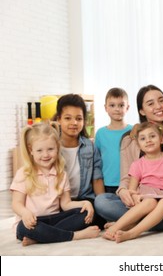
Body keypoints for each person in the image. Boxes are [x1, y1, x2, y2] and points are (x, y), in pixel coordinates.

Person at [95, 85, 163, 231]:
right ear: (141, 110)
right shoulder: (130, 139)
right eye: (150, 103)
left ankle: (134, 223)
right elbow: (126, 178)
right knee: (101, 201)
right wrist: (123, 191)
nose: (158, 106)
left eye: (161, 101)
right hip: (142, 200)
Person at [10, 122, 100, 246]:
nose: (45, 155)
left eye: (50, 149)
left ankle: (42, 237)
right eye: (39, 150)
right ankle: (75, 236)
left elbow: (66, 204)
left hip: (56, 220)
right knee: (22, 228)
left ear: (57, 148)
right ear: (31, 150)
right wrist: (25, 213)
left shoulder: (61, 174)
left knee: (84, 213)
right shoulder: (24, 173)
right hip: (32, 222)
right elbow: (16, 204)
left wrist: (85, 203)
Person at [103, 122, 163, 242]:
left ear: (161, 139)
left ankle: (132, 232)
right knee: (150, 202)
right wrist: (134, 196)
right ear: (139, 145)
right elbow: (132, 189)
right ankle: (116, 227)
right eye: (143, 138)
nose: (148, 140)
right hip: (146, 195)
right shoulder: (137, 164)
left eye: (152, 136)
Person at [55, 94, 105, 228]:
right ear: (59, 119)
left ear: (84, 121)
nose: (74, 123)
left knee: (93, 214)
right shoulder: (52, 147)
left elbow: (97, 178)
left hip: (84, 200)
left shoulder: (90, 146)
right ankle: (56, 228)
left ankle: (50, 229)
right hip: (59, 201)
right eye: (67, 118)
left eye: (79, 118)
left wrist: (102, 204)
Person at [95, 87, 132, 194]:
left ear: (127, 107)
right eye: (112, 105)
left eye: (121, 105)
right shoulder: (101, 133)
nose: (117, 109)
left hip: (130, 182)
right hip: (108, 183)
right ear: (105, 107)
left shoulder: (133, 131)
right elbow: (97, 161)